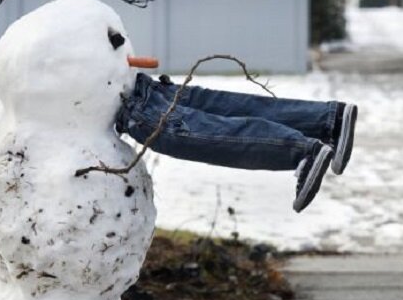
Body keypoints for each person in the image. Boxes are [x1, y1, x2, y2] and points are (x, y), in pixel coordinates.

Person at [115, 72, 358, 212]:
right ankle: (327, 121)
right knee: (210, 105)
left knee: (182, 135)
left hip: (112, 97)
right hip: (113, 72)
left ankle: (302, 152)